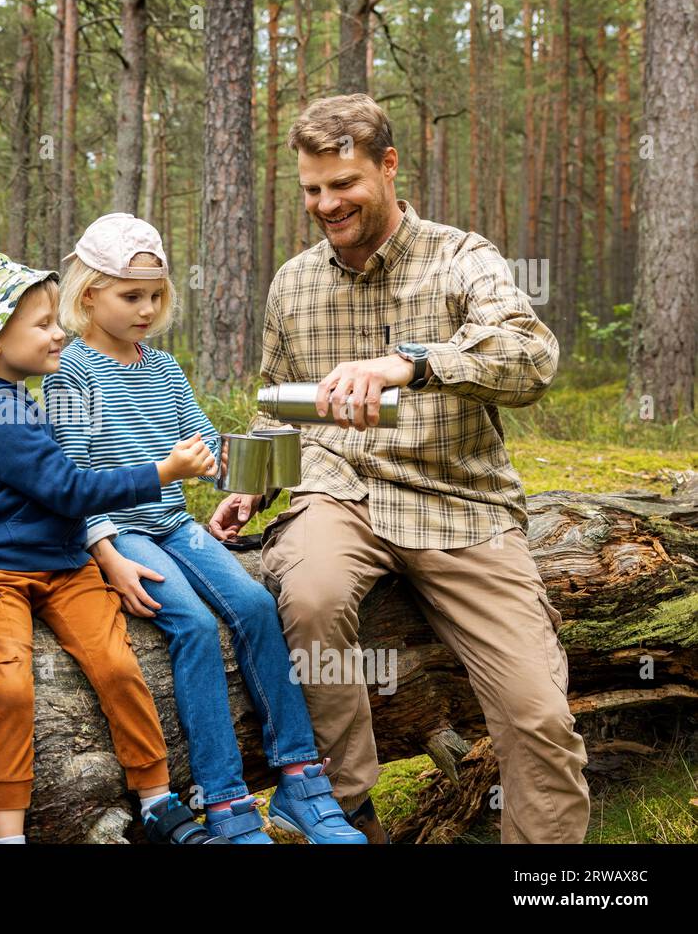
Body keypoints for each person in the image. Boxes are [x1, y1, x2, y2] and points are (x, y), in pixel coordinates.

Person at [210, 93, 591, 844]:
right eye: (312, 189)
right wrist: (250, 481)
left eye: (343, 183)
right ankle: (345, 812)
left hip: (458, 503)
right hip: (335, 492)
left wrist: (410, 364)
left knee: (538, 712)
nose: (327, 203)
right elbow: (279, 409)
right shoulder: (293, 282)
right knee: (311, 594)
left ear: (387, 167)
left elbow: (533, 360)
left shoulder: (461, 256)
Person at [42, 214, 367, 844]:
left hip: (172, 521)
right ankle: (224, 802)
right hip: (121, 531)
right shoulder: (71, 372)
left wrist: (240, 479)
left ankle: (302, 779)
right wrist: (105, 554)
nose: (145, 309)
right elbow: (70, 476)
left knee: (253, 602)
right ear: (88, 295)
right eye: (130, 296)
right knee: (191, 623)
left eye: (155, 296)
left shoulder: (161, 368)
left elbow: (204, 445)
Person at [0, 251, 227, 844]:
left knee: (116, 663)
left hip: (63, 565)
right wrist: (162, 471)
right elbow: (68, 489)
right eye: (40, 324)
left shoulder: (19, 399)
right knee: (5, 685)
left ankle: (157, 797)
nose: (58, 331)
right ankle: (9, 832)